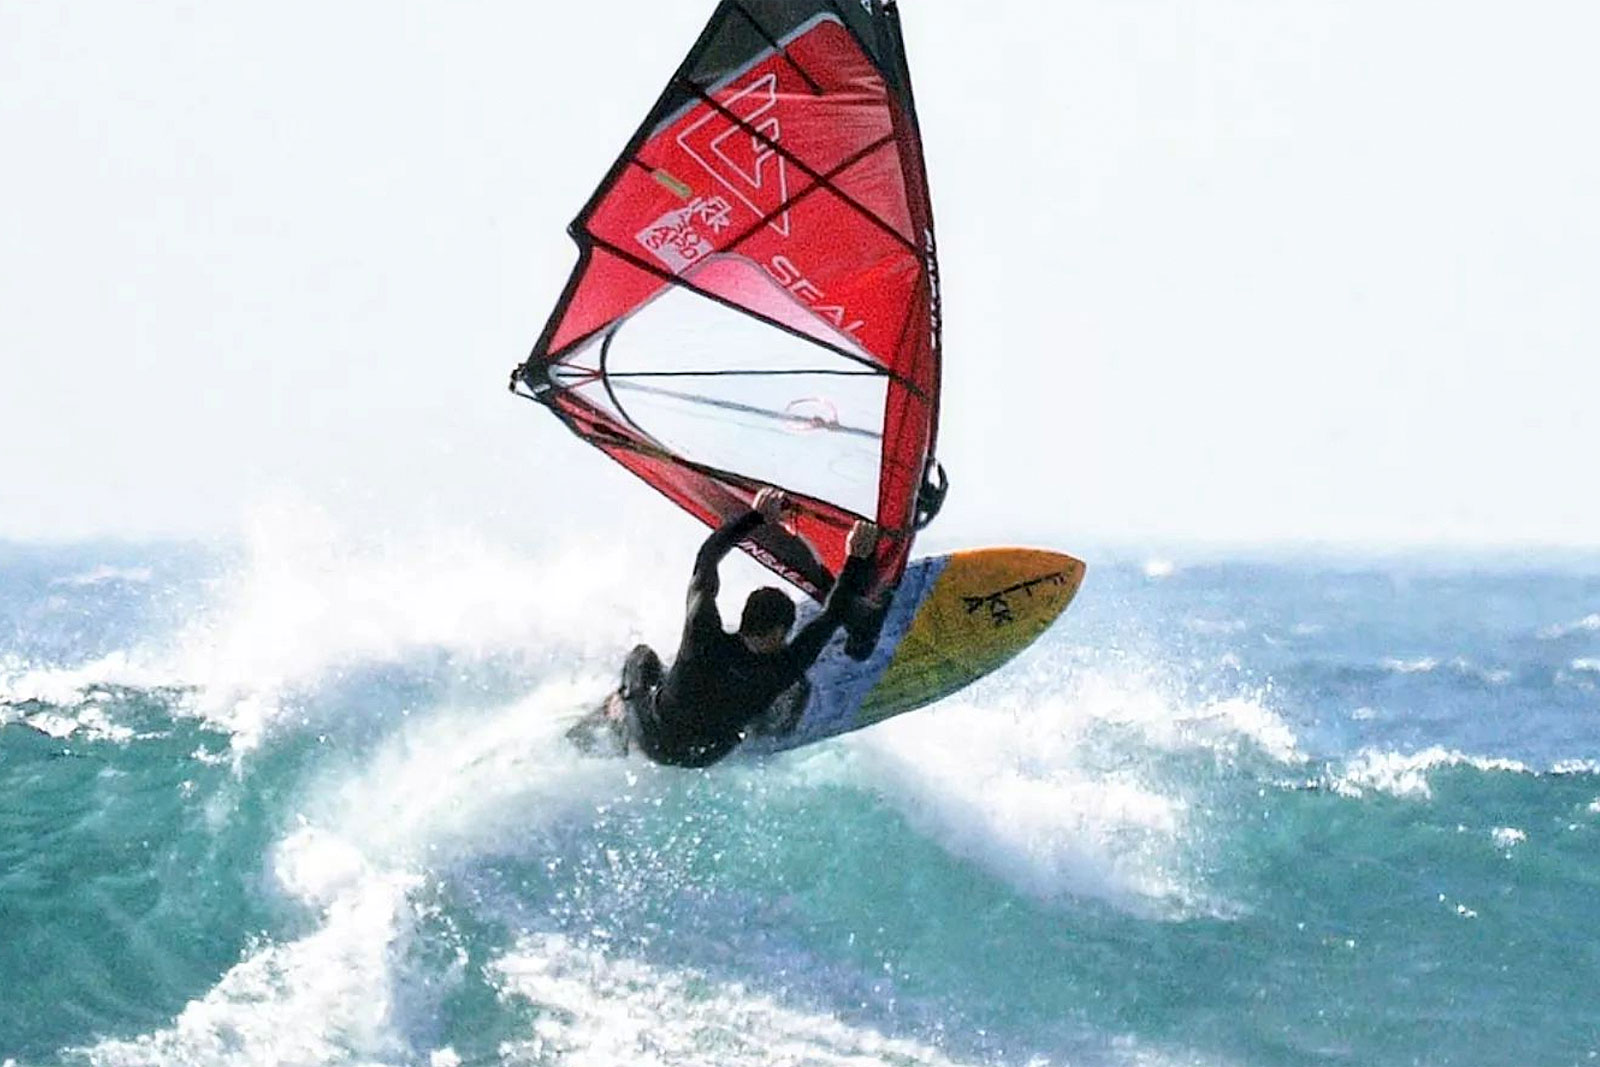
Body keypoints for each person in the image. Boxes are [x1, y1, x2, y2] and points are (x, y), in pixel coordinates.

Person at [606, 487, 879, 768]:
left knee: (642, 657)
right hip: (704, 756)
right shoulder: (784, 668)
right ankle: (768, 732)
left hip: (653, 738)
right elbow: (834, 613)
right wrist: (858, 558)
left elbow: (707, 559)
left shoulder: (702, 634)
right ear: (778, 632)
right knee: (796, 688)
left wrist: (756, 517)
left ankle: (618, 706)